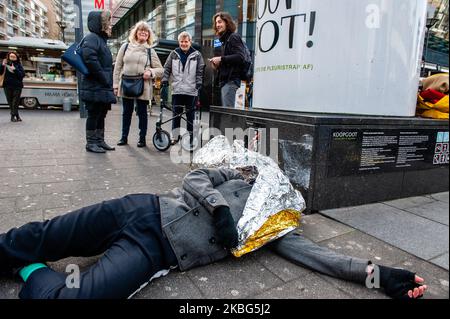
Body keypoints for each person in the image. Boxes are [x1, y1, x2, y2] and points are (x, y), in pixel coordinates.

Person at [0, 167, 427, 299]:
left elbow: (324, 258)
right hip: (137, 208)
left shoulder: (276, 228)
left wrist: (380, 276)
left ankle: (30, 271)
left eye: (296, 197)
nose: (291, 194)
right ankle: (10, 252)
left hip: (153, 249)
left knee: (75, 296)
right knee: (45, 233)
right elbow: (197, 176)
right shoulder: (245, 173)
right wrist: (221, 208)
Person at [113, 21, 164, 148]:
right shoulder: (125, 47)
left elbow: (161, 70)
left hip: (143, 85)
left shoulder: (150, 51)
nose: (143, 33)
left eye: (146, 31)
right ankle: (124, 137)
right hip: (126, 83)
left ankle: (142, 139)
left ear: (148, 35)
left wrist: (150, 72)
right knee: (126, 112)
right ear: (135, 33)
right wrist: (115, 84)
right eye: (141, 30)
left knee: (142, 113)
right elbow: (118, 67)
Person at [80, 10, 117, 153]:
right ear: (101, 23)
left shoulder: (100, 39)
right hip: (95, 84)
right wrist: (103, 77)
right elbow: (90, 58)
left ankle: (100, 140)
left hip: (101, 85)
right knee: (94, 114)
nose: (110, 25)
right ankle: (91, 143)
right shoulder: (92, 38)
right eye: (108, 22)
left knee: (101, 113)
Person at [161, 31, 205, 145]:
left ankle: (191, 138)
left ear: (190, 42)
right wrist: (165, 79)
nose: (184, 44)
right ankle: (175, 137)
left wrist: (199, 82)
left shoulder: (197, 55)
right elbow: (167, 68)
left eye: (186, 41)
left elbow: (200, 71)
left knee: (190, 117)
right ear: (179, 42)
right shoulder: (174, 54)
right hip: (177, 90)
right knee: (176, 115)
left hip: (191, 91)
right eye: (182, 42)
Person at [209, 12, 247, 108]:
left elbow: (240, 56)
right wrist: (217, 65)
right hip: (226, 82)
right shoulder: (225, 40)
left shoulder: (233, 37)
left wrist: (221, 59)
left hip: (230, 82)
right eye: (216, 23)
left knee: (228, 115)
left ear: (227, 22)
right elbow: (229, 61)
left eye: (220, 22)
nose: (217, 25)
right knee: (226, 114)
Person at [0, 52, 25, 122]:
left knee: (15, 101)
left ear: (16, 57)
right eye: (11, 56)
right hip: (7, 85)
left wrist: (15, 69)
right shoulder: (5, 64)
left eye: (14, 57)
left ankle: (12, 116)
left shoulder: (19, 65)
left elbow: (22, 75)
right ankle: (17, 115)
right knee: (10, 101)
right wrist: (2, 65)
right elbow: (0, 72)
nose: (12, 58)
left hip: (17, 86)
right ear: (8, 57)